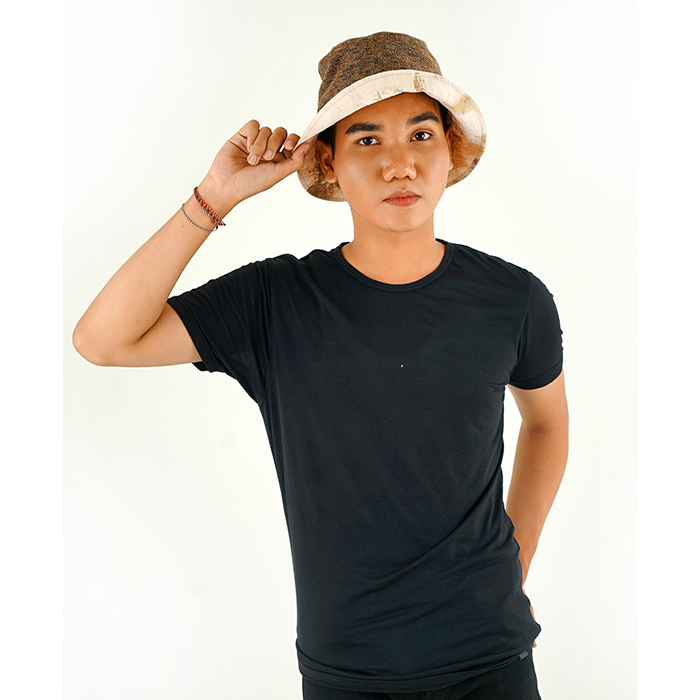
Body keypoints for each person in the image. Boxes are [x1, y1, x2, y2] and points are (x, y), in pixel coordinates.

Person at [73, 31, 568, 700]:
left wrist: (516, 564)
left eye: (421, 135)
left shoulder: (512, 298)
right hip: (347, 673)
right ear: (327, 161)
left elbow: (547, 424)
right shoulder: (274, 302)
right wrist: (214, 198)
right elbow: (103, 340)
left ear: (449, 149)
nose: (400, 164)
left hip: (492, 660)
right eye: (367, 140)